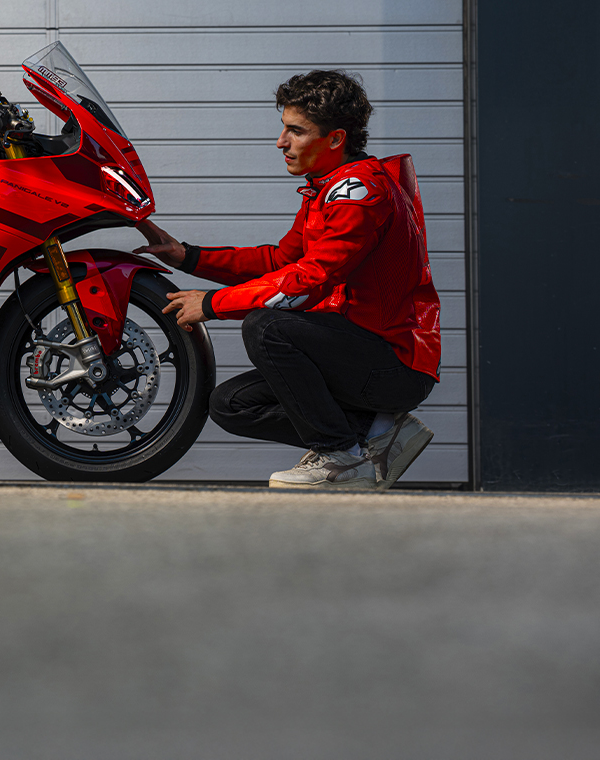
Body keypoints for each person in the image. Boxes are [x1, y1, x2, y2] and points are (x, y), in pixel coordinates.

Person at [134, 70, 441, 490]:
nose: (281, 142)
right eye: (284, 128)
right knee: (229, 405)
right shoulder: (327, 189)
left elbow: (313, 279)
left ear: (335, 139)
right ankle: (376, 432)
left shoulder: (360, 194)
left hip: (392, 364)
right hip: (355, 354)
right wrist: (187, 256)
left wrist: (212, 304)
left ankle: (340, 457)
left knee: (267, 327)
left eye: (296, 131)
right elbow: (279, 260)